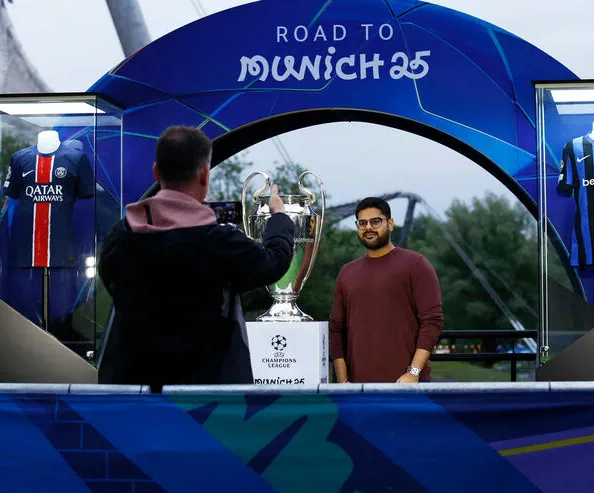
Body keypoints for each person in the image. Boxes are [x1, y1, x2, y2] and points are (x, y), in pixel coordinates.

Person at [98, 125, 294, 387]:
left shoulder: (120, 238)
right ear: (204, 174)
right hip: (206, 397)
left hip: (136, 391)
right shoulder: (219, 242)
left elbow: (110, 282)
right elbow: (273, 262)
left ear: (156, 172)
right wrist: (279, 217)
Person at [330, 197, 443, 383]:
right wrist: (342, 382)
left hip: (406, 386)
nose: (368, 228)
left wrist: (413, 373)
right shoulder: (346, 272)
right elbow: (336, 329)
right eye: (362, 223)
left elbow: (432, 321)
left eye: (375, 221)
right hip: (357, 388)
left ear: (390, 224)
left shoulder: (416, 264)